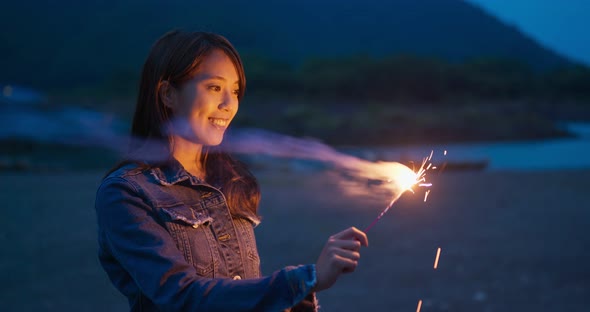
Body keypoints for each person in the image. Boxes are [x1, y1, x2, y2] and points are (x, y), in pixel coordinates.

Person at [95, 30, 368, 312]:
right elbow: (182, 297)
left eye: (235, 91)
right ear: (167, 94)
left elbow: (239, 294)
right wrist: (306, 279)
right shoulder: (126, 193)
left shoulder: (231, 180)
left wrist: (300, 295)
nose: (229, 105)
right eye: (214, 88)